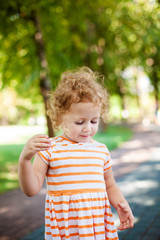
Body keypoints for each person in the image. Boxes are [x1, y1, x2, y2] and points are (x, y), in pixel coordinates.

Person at [18, 66, 134, 240]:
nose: (88, 128)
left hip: (96, 228)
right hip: (67, 230)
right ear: (59, 118)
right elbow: (31, 189)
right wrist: (24, 160)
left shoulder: (101, 150)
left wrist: (122, 205)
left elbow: (110, 185)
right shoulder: (50, 149)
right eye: (80, 122)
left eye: (94, 121)